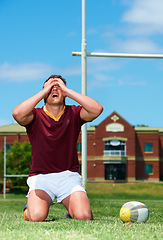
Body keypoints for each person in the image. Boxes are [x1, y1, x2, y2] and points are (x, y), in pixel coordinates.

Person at [12, 74, 103, 222]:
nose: (55, 89)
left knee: (84, 216)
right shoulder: (35, 115)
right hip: (41, 177)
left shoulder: (73, 113)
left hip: (68, 176)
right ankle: (28, 207)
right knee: (37, 217)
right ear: (44, 93)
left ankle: (72, 210)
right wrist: (44, 90)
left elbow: (97, 109)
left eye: (58, 87)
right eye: (50, 87)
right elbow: (17, 113)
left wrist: (67, 90)